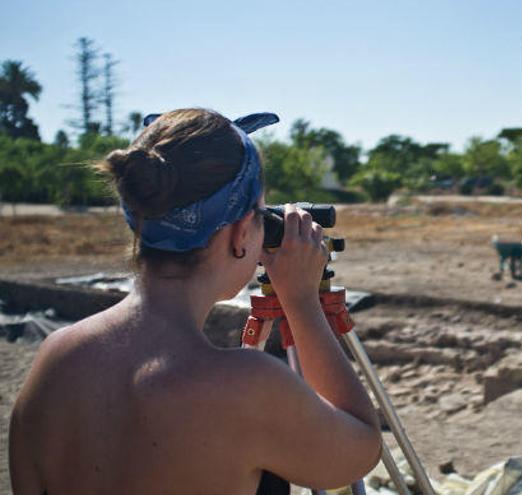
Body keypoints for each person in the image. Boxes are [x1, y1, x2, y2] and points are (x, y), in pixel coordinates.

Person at [9, 109, 381, 494]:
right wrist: (302, 301)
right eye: (260, 214)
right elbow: (361, 448)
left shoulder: (55, 361)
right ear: (241, 235)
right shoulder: (247, 386)